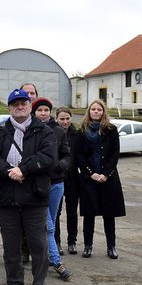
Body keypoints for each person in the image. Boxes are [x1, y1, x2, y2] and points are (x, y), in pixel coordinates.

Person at [0, 89, 55, 285]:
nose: (20, 106)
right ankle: (14, 284)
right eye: (15, 104)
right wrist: (8, 171)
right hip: (8, 197)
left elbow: (48, 156)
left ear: (30, 105)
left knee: (38, 244)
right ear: (9, 108)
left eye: (23, 102)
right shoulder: (0, 131)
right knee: (11, 246)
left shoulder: (44, 131)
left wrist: (23, 169)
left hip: (35, 197)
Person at [73, 99, 126, 259]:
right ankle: (88, 246)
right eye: (93, 109)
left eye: (99, 109)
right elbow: (78, 156)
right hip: (89, 179)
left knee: (109, 214)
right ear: (89, 112)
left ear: (103, 112)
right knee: (89, 214)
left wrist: (105, 174)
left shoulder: (111, 130)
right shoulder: (81, 131)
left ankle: (111, 247)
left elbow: (115, 154)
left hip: (108, 178)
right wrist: (91, 173)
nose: (96, 112)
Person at [32, 98, 71, 281]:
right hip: (37, 183)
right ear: (34, 112)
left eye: (46, 110)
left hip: (56, 183)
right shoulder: (29, 130)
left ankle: (46, 256)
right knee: (47, 224)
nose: (43, 113)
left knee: (51, 221)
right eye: (40, 110)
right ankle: (56, 262)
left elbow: (67, 154)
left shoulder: (58, 131)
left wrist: (60, 166)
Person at [55, 106, 82, 255]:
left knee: (72, 211)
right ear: (57, 119)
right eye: (62, 119)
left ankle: (72, 241)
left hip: (73, 178)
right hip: (57, 177)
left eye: (67, 119)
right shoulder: (53, 133)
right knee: (56, 212)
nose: (65, 122)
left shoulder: (77, 134)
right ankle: (56, 241)